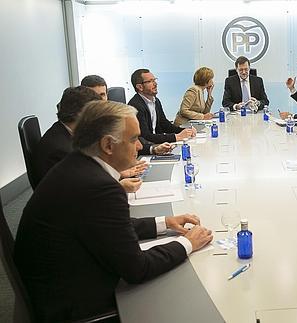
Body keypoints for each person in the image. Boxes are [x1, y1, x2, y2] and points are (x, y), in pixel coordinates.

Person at [14, 100, 213, 323]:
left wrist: (164, 222)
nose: (139, 147)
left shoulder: (78, 164)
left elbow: (107, 226)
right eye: (133, 139)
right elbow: (137, 269)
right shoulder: (100, 187)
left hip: (57, 281)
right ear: (108, 145)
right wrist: (188, 244)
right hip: (75, 305)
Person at [82, 74, 174, 155]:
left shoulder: (111, 116)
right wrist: (119, 173)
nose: (100, 100)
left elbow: (134, 141)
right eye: (94, 96)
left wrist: (154, 149)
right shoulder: (83, 125)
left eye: (102, 95)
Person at [128, 68, 196, 144]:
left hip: (158, 144)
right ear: (140, 87)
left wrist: (184, 131)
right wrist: (176, 137)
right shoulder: (135, 106)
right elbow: (145, 136)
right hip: (147, 148)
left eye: (154, 80)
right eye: (150, 81)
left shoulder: (156, 101)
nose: (155, 84)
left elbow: (164, 124)